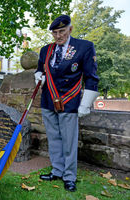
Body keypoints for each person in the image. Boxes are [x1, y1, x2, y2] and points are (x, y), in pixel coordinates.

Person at [35, 15, 99, 192]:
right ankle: (57, 170)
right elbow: (40, 69)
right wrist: (38, 76)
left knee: (69, 142)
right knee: (54, 138)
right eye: (55, 32)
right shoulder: (45, 50)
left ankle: (69, 176)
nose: (58, 36)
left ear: (70, 29)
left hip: (69, 101)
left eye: (62, 31)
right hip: (48, 100)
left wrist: (85, 104)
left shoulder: (84, 47)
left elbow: (91, 77)